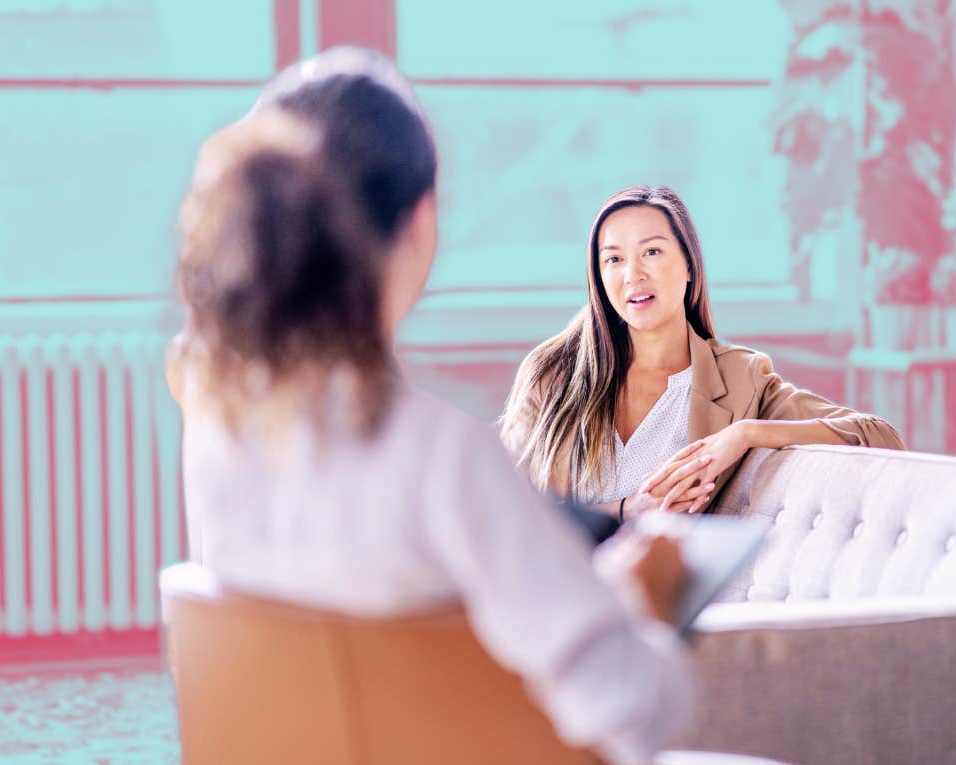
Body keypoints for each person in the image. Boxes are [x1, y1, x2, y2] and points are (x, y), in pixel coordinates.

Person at [169, 49, 692, 765]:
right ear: (418, 222)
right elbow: (632, 714)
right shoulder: (443, 457)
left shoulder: (218, 435)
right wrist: (641, 602)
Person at [500, 185, 905, 521]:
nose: (633, 274)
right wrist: (627, 511)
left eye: (652, 252)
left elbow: (880, 436)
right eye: (614, 259)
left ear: (689, 264)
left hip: (672, 604)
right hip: (560, 595)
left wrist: (745, 433)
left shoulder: (740, 378)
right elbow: (501, 509)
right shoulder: (552, 373)